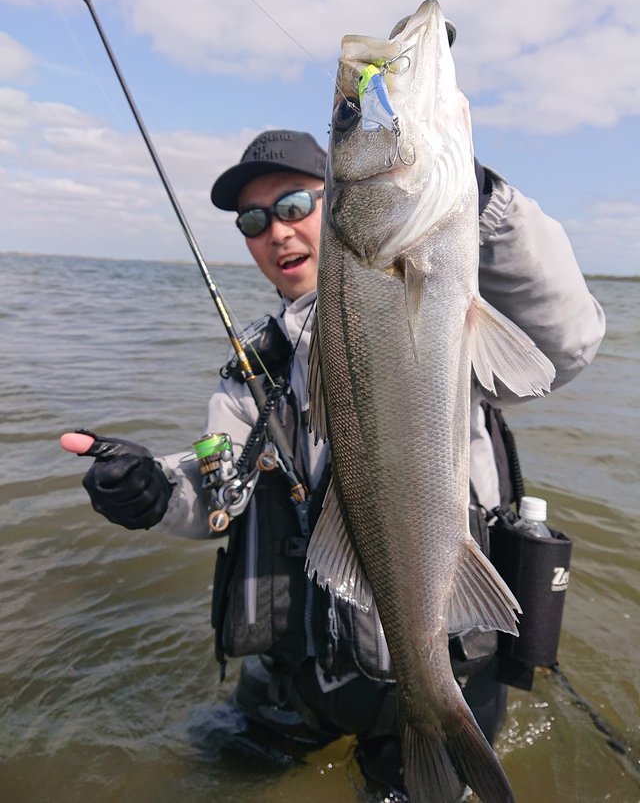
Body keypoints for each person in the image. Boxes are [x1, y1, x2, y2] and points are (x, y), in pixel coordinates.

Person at [61, 128, 605, 798]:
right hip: (304, 679)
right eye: (253, 220)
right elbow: (221, 488)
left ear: (342, 201)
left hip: (448, 663)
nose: (277, 232)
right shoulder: (253, 372)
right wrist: (154, 490)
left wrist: (486, 202)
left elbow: (566, 344)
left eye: (295, 205)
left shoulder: (437, 305)